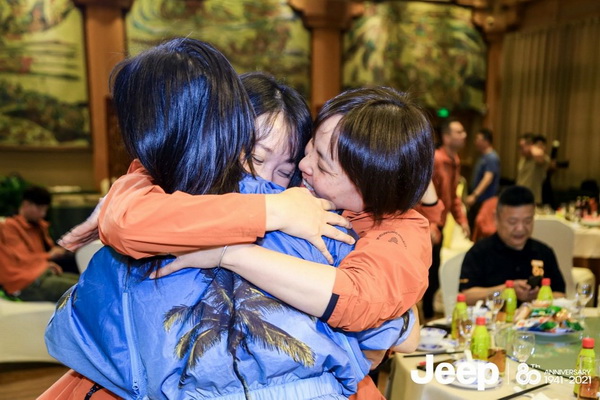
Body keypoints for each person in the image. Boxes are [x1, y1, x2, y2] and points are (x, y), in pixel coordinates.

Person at [44, 40, 417, 400]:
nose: (267, 180)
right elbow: (394, 335)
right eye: (255, 157)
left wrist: (230, 250)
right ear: (219, 138)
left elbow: (84, 327)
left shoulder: (316, 219)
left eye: (285, 170)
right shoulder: (170, 207)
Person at [459, 185, 566, 305]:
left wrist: (538, 296)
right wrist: (506, 290)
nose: (520, 228)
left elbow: (561, 294)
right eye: (512, 222)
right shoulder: (480, 252)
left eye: (527, 221)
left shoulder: (543, 252)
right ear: (496, 218)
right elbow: (466, 296)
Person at [424, 118, 469, 319]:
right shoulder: (436, 159)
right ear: (446, 137)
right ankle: (425, 317)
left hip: (439, 224)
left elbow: (453, 195)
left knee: (434, 271)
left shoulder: (455, 160)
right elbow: (424, 195)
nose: (464, 135)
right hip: (428, 224)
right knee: (427, 272)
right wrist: (430, 224)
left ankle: (428, 314)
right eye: (459, 132)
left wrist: (462, 220)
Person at [0, 186, 79, 302]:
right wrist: (48, 256)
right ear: (26, 205)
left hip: (40, 275)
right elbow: (22, 258)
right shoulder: (9, 227)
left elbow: (31, 259)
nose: (43, 214)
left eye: (45, 210)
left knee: (88, 281)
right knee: (86, 289)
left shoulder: (37, 226)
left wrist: (45, 264)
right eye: (40, 209)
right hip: (26, 283)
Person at [465, 128, 500, 236]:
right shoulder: (483, 156)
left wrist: (474, 195)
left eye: (478, 139)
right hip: (479, 201)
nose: (475, 141)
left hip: (484, 201)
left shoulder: (491, 158)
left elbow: (488, 178)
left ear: (486, 141)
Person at [516, 133, 550, 205]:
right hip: (520, 197)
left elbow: (539, 154)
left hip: (532, 200)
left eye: (522, 147)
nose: (520, 150)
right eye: (519, 147)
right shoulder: (523, 159)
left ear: (531, 145)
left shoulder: (540, 159)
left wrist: (532, 147)